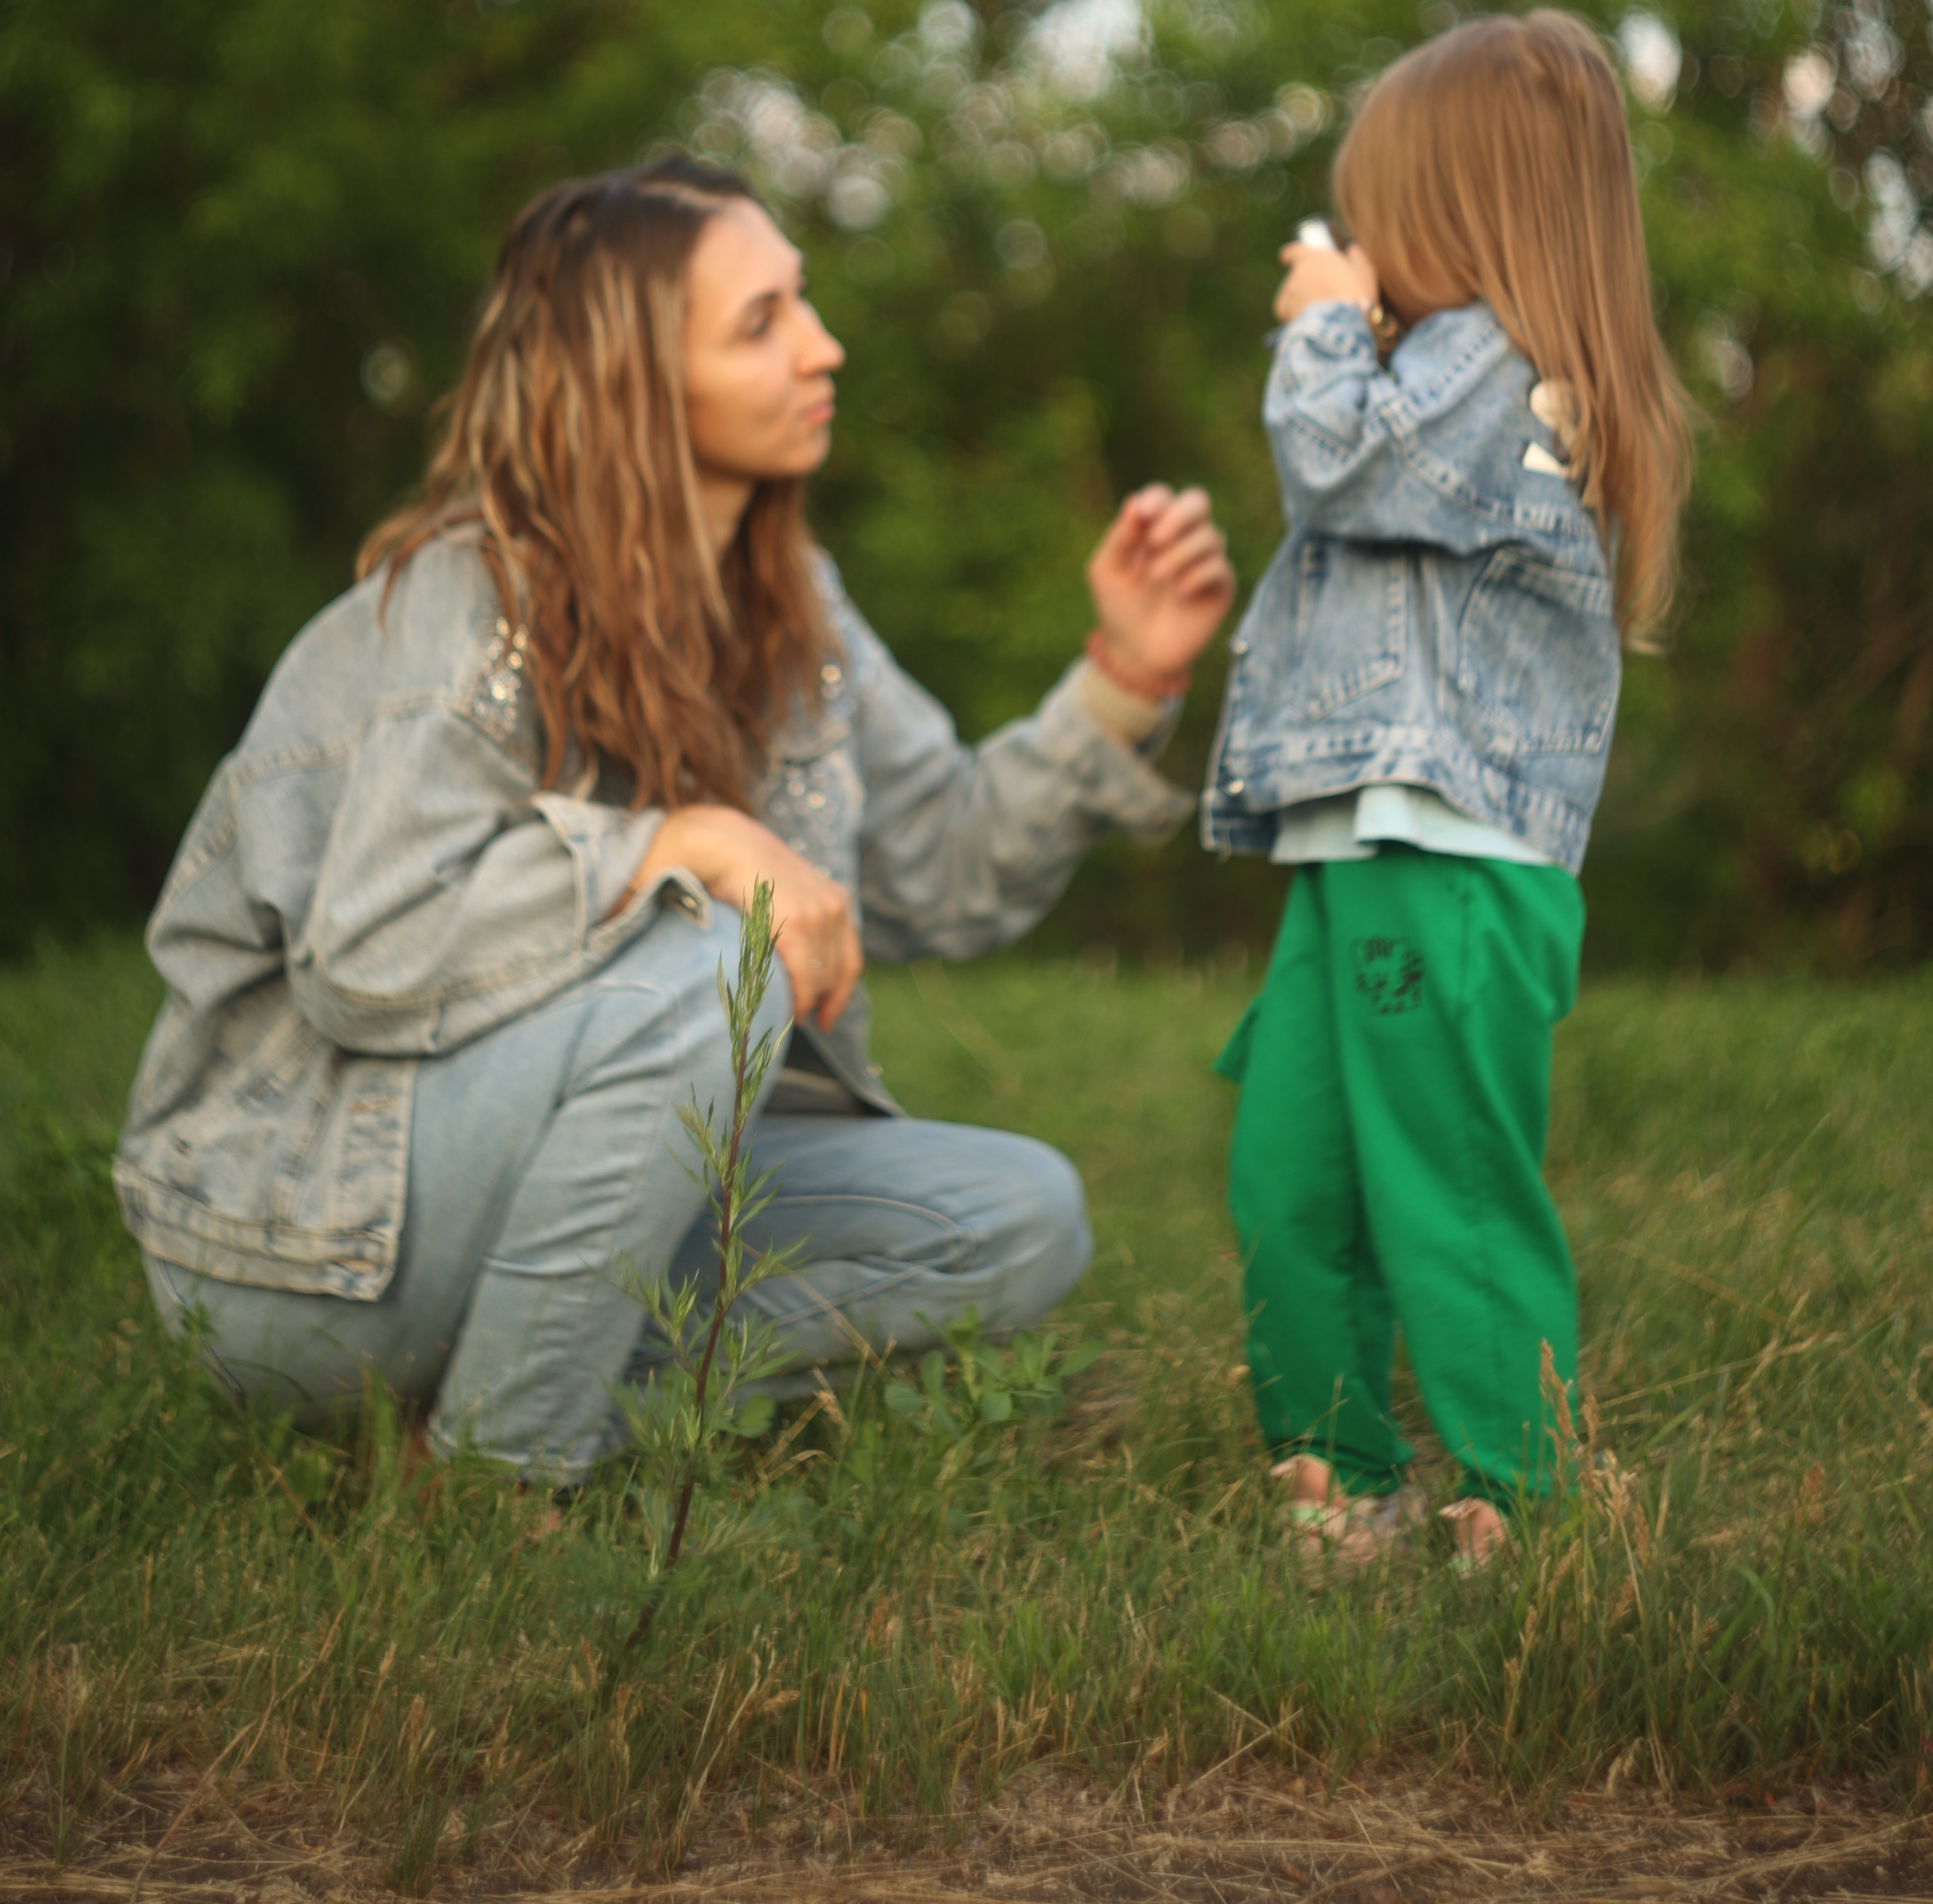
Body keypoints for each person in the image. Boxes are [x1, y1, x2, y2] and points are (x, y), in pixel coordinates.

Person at [116, 156, 1235, 1484]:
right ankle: (502, 1483)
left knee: (1020, 1216)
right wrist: (667, 843)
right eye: (762, 322)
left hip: (549, 1215)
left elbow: (946, 872)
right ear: (635, 379)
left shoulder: (788, 602)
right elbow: (370, 950)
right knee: (720, 963)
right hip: (308, 1250)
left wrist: (1124, 680)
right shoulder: (466, 600)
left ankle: (479, 1415)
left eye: (802, 303)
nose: (824, 347)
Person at [1203, 13, 1691, 1570]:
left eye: (1372, 212)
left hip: (1447, 848)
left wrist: (1321, 325)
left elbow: (1345, 474)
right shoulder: (1442, 373)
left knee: (1440, 1175)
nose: (1352, 245)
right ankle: (1330, 1481)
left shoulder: (1504, 367)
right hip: (1358, 839)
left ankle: (1522, 1491)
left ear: (1462, 209)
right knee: (1292, 1167)